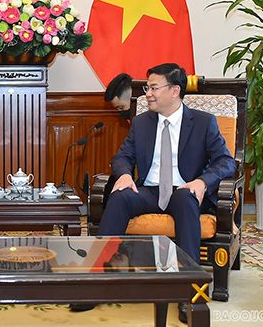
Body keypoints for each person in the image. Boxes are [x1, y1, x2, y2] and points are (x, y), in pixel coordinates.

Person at [98, 63, 235, 323]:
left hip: (184, 190)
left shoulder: (203, 122)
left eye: (153, 88)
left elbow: (225, 161)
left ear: (174, 91)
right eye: (147, 88)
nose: (148, 94)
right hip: (148, 191)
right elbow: (122, 156)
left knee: (185, 199)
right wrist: (124, 174)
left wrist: (202, 182)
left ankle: (189, 293)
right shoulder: (141, 123)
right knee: (119, 197)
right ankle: (97, 281)